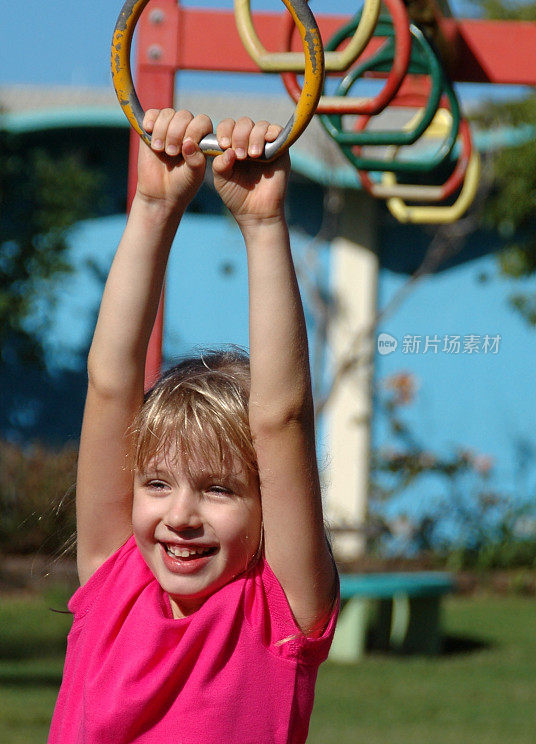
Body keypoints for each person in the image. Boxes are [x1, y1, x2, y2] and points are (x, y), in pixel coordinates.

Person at [48, 109, 339, 744]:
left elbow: (280, 418)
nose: (180, 514)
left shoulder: (279, 611)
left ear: (269, 504)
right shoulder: (112, 578)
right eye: (156, 483)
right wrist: (153, 207)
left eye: (219, 489)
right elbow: (110, 383)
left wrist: (263, 225)